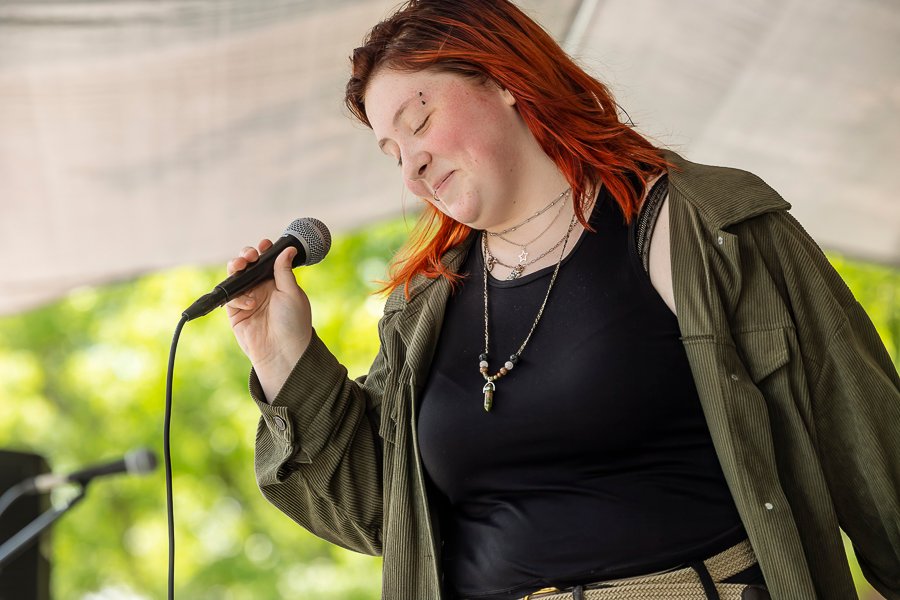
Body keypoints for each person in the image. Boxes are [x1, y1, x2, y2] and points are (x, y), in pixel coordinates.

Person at [224, 1, 900, 599]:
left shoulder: (699, 225)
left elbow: (865, 434)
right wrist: (283, 356)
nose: (412, 166)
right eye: (392, 151)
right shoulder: (424, 305)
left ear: (504, 79)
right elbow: (383, 512)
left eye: (420, 120)